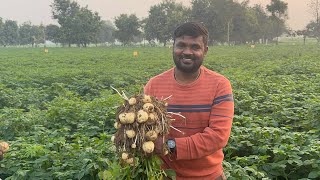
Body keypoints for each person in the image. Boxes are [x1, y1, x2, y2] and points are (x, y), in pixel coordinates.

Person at [144, 22, 234, 180]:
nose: (187, 52)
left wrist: (169, 145)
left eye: (195, 47)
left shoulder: (220, 85)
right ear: (173, 47)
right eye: (181, 45)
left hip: (209, 176)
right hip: (164, 175)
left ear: (205, 50)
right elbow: (144, 128)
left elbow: (218, 136)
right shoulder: (154, 85)